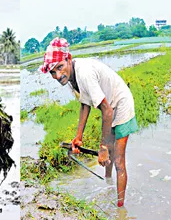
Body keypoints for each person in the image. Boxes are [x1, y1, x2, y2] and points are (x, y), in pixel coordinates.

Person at [41, 37, 138, 207]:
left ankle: (120, 208)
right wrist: (78, 137)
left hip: (121, 104)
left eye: (60, 68)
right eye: (52, 72)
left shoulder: (84, 73)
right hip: (110, 106)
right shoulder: (71, 78)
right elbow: (84, 104)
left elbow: (107, 111)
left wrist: (102, 147)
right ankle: (108, 183)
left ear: (68, 59)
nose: (57, 76)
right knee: (109, 153)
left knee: (118, 161)